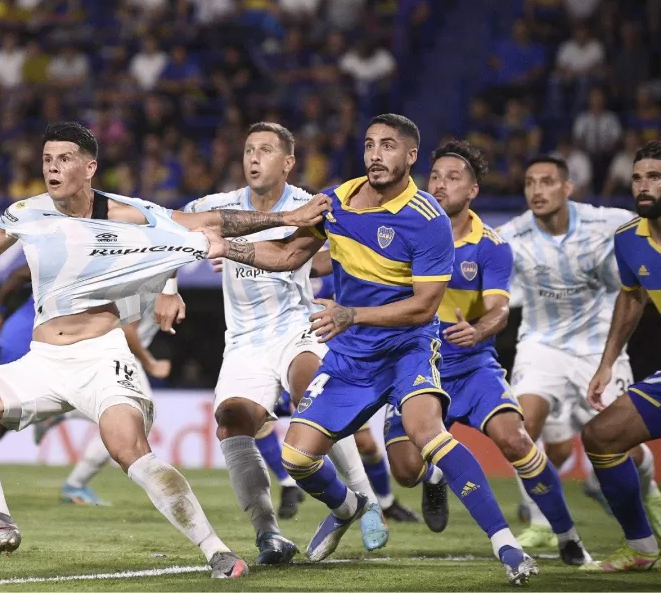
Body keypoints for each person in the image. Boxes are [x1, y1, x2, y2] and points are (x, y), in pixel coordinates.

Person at [0, 120, 330, 577]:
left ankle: (217, 551)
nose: (52, 168)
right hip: (43, 360)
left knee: (130, 450)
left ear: (90, 167)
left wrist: (288, 218)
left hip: (101, 359)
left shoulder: (128, 215)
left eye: (64, 159)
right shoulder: (26, 213)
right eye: (47, 159)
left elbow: (207, 222)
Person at [202, 114, 538, 585]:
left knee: (428, 434)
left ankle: (508, 545)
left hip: (407, 348)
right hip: (351, 355)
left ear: (411, 156)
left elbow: (424, 307)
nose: (376, 155)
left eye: (388, 146)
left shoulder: (428, 219)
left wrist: (351, 314)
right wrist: (225, 247)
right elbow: (285, 256)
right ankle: (347, 506)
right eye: (369, 144)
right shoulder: (337, 201)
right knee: (298, 459)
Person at [181, 123, 387, 565]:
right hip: (244, 341)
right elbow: (172, 228)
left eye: (266, 150)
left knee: (313, 392)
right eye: (248, 150)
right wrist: (166, 290)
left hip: (297, 327)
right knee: (231, 421)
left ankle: (368, 501)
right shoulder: (216, 207)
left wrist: (336, 287)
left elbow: (329, 256)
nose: (254, 158)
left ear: (288, 162)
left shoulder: (308, 205)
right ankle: (270, 533)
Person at [378, 141, 590, 565]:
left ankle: (568, 537)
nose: (440, 184)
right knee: (406, 472)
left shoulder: (491, 245)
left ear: (473, 190)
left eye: (452, 178)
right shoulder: (402, 231)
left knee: (515, 440)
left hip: (472, 366)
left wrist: (476, 331)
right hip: (416, 366)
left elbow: (499, 311)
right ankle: (434, 475)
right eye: (435, 176)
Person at [0, 264, 173, 507]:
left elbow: (18, 275)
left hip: (45, 338)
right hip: (35, 339)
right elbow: (18, 273)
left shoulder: (104, 250)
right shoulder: (89, 248)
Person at [496, 157, 661, 549]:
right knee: (520, 427)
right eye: (530, 183)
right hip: (541, 345)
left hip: (597, 346)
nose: (537, 191)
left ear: (568, 188)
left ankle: (649, 489)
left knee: (621, 444)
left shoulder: (610, 223)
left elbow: (635, 280)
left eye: (547, 182)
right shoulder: (510, 235)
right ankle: (541, 522)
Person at [581, 140, 661, 571]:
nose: (643, 186)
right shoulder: (629, 239)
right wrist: (607, 363)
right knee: (601, 437)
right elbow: (632, 298)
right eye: (637, 178)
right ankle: (642, 547)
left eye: (655, 177)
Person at [315, 269, 422, 523]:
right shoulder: (290, 268)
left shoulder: (335, 268)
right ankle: (292, 490)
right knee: (301, 446)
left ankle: (385, 502)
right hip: (297, 357)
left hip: (340, 359)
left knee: (366, 444)